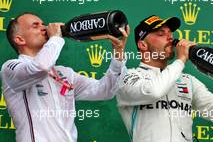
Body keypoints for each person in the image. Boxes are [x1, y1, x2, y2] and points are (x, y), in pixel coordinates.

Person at [116, 15, 213, 142]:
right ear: (143, 45)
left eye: (170, 33)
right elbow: (154, 91)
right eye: (161, 34)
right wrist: (181, 59)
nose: (170, 38)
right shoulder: (127, 77)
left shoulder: (188, 81)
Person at [0, 13, 129, 142]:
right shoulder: (11, 68)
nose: (44, 28)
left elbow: (105, 91)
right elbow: (40, 67)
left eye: (43, 24)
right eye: (35, 26)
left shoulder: (64, 73)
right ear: (20, 39)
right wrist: (56, 38)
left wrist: (118, 52)